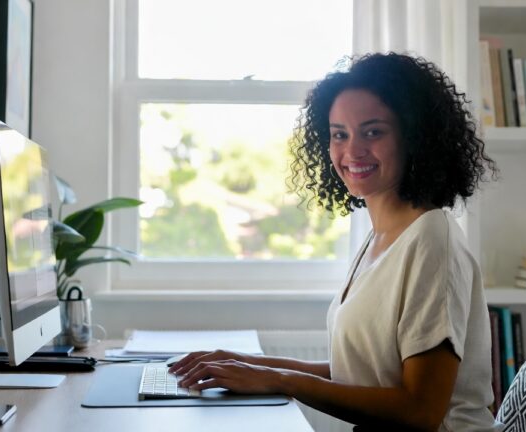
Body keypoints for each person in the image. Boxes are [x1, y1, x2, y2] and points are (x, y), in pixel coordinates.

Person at [169, 52, 500, 431]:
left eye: (373, 132)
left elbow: (420, 410)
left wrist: (280, 380)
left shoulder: (430, 240)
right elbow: (363, 373)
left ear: (415, 137)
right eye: (339, 134)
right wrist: (248, 364)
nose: (352, 151)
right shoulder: (383, 236)